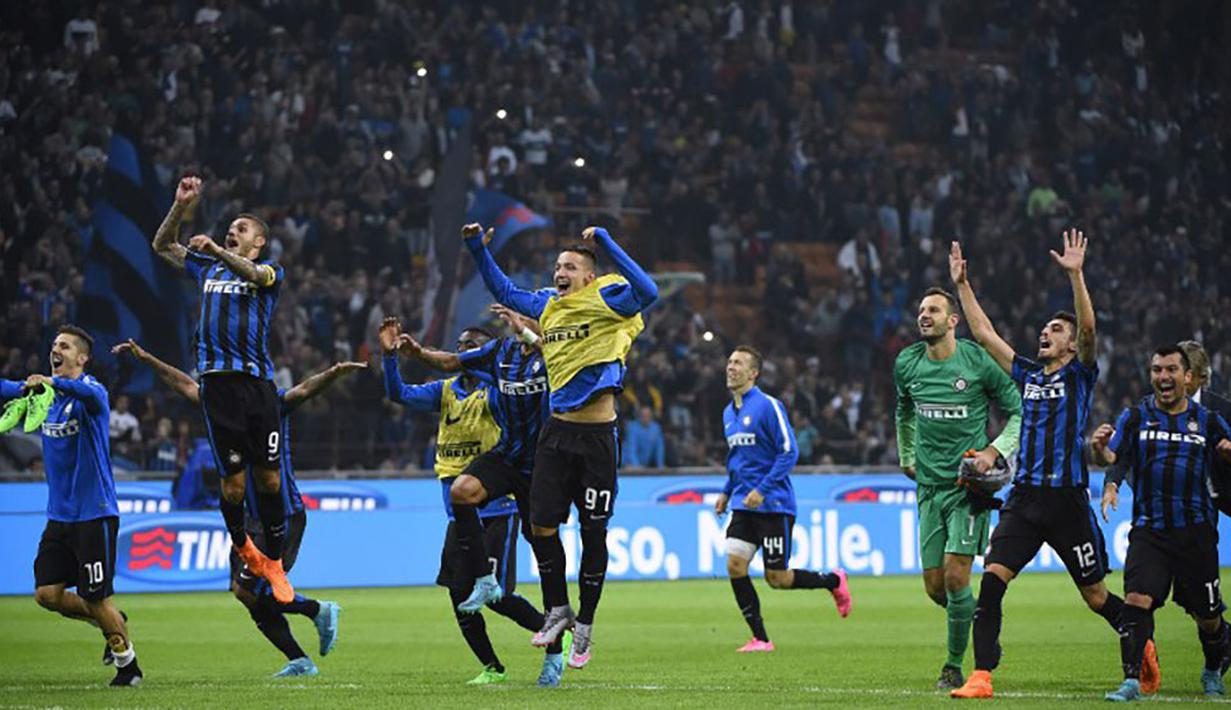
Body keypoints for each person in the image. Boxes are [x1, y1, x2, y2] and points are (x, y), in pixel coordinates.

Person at [947, 231, 1156, 698]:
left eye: (1055, 330)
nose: (1047, 332)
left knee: (1096, 597)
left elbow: (1089, 331)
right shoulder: (1025, 374)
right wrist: (962, 284)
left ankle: (1141, 641)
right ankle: (981, 676)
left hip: (1067, 503)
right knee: (993, 583)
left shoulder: (1080, 376)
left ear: (1068, 345)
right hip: (1024, 500)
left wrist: (1076, 275)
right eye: (1045, 328)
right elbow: (982, 334)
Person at [463, 222, 658, 672]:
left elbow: (646, 290)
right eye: (557, 266)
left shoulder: (609, 298)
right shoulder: (548, 306)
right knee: (541, 524)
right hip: (556, 433)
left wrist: (605, 243)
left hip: (597, 439)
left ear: (589, 275)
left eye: (570, 265)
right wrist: (476, 249)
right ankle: (558, 609)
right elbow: (506, 290)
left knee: (593, 533)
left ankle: (586, 621)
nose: (560, 271)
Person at [112, 339, 350, 678]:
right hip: (247, 517)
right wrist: (147, 357)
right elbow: (183, 384)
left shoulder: (269, 403)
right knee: (244, 593)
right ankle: (301, 658)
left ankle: (317, 611)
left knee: (251, 589)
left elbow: (302, 392)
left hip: (281, 513)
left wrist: (334, 372)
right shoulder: (218, 404)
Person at [379, 321, 562, 687]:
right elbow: (398, 393)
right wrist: (388, 357)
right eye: (461, 343)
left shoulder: (499, 392)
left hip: (498, 506)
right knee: (458, 592)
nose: (464, 350)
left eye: (472, 345)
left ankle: (556, 635)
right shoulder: (444, 392)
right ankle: (493, 667)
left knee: (496, 596)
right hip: (459, 511)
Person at [151, 175, 293, 601]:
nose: (232, 230)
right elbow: (162, 246)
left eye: (242, 228)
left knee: (269, 481)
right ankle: (245, 549)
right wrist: (180, 206)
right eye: (230, 226)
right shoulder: (206, 268)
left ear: (259, 242)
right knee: (233, 486)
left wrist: (215, 249)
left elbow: (253, 274)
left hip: (257, 385)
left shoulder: (268, 271)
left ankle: (276, 563)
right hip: (217, 387)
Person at [893, 287, 1023, 690]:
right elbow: (904, 410)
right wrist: (907, 456)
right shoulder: (908, 363)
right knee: (936, 587)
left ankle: (953, 666)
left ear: (953, 320)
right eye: (920, 310)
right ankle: (981, 621)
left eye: (933, 309)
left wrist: (994, 450)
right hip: (929, 487)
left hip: (969, 488)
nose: (924, 315)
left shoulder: (977, 361)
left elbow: (1018, 410)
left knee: (955, 577)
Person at [1, 326, 142, 686]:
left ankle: (129, 667)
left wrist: (49, 382)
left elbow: (81, 390)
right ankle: (111, 618)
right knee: (47, 595)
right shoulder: (47, 397)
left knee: (94, 598)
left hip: (94, 513)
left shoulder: (91, 393)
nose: (56, 349)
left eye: (64, 346)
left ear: (81, 358)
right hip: (59, 516)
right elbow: (11, 388)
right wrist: (28, 387)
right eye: (53, 345)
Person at [1091, 345, 1231, 700]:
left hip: (1196, 532)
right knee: (1137, 599)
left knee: (1208, 617)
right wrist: (1107, 473)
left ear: (1186, 377)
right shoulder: (1135, 417)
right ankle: (1131, 681)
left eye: (1170, 370)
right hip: (1150, 530)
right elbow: (1116, 457)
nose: (1162, 377)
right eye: (1156, 370)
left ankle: (1213, 667)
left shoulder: (1209, 420)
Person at [716, 345, 851, 652]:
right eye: (729, 362)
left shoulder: (768, 406)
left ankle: (833, 581)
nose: (731, 367)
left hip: (773, 504)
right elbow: (737, 460)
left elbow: (789, 451)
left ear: (754, 373)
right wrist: (726, 491)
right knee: (735, 565)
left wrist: (762, 489)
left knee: (777, 578)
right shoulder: (728, 413)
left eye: (738, 363)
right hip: (742, 504)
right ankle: (761, 638)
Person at [1104, 340, 1231, 519]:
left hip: (1217, 494)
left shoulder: (1222, 411)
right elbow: (1123, 451)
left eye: (1175, 371)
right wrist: (1112, 483)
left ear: (1197, 377)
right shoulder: (1147, 409)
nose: (1171, 379)